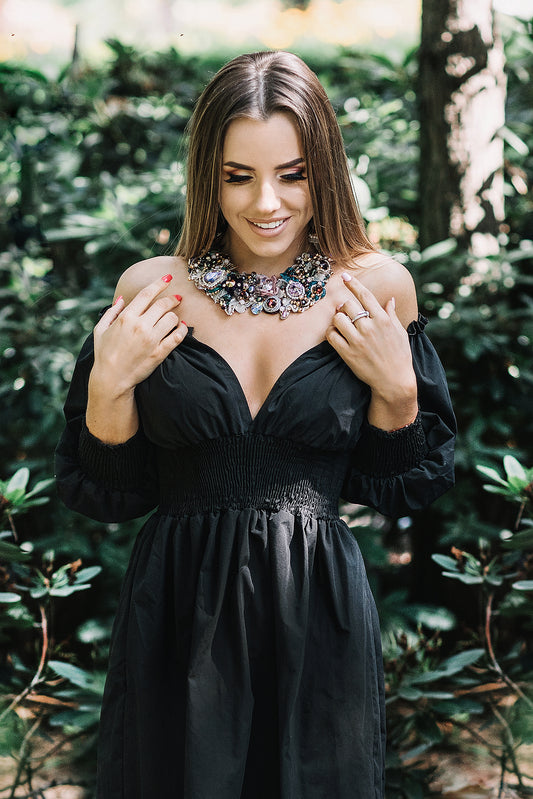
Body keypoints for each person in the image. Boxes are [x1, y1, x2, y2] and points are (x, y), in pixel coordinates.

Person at [55, 50, 456, 799]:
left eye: (292, 174)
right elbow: (108, 492)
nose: (266, 202)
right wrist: (108, 386)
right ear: (207, 177)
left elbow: (401, 485)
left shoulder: (375, 288)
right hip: (177, 608)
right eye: (238, 176)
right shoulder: (152, 290)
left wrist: (399, 389)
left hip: (318, 606)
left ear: (324, 171)